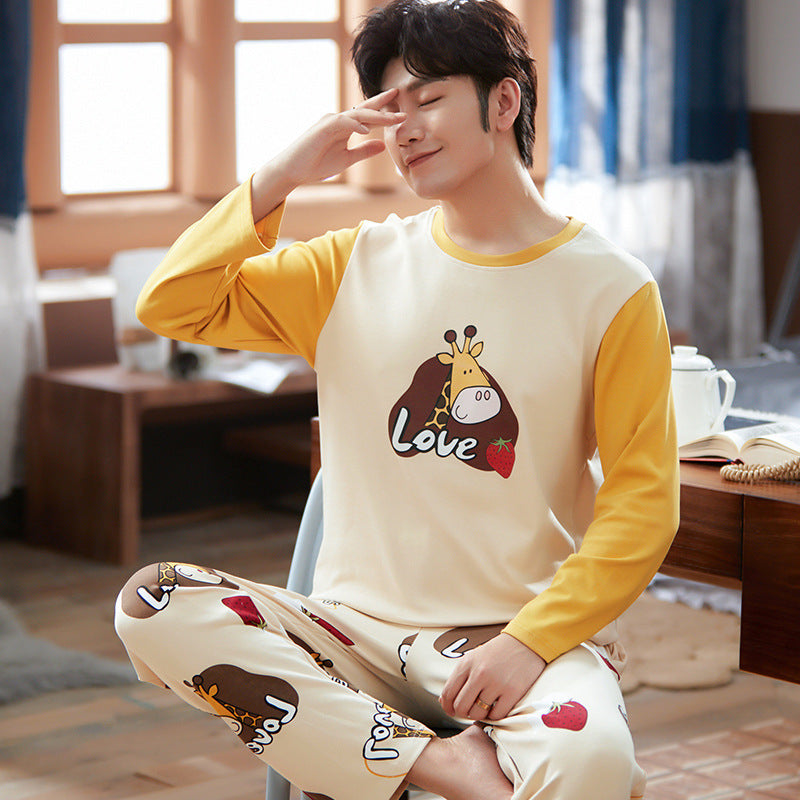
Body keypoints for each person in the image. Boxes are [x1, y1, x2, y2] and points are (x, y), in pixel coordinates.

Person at [114, 1, 679, 798]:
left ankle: (377, 754)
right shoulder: (351, 266)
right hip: (347, 633)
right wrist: (283, 174)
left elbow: (642, 506)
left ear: (504, 101)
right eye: (388, 109)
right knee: (153, 603)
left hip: (510, 634)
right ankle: (444, 766)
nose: (403, 129)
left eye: (429, 99)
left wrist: (529, 642)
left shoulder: (612, 288)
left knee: (592, 763)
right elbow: (171, 304)